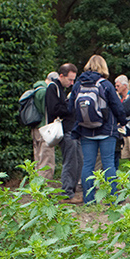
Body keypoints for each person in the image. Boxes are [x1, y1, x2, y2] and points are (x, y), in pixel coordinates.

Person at [69, 55, 127, 204]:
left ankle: (89, 200)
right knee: (108, 163)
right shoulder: (106, 85)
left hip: (86, 130)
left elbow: (71, 108)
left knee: (88, 164)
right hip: (107, 130)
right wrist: (122, 122)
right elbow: (117, 107)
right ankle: (112, 198)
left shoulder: (77, 85)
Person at [46, 63, 84, 203]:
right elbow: (54, 109)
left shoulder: (60, 88)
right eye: (70, 79)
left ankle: (71, 190)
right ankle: (67, 193)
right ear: (61, 76)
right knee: (70, 161)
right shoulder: (53, 88)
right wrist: (70, 106)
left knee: (78, 160)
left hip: (71, 129)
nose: (72, 83)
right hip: (65, 129)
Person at [32, 71, 58, 181]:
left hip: (36, 128)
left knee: (37, 159)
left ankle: (37, 186)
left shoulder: (36, 89)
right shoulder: (44, 92)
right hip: (45, 129)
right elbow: (47, 111)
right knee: (46, 160)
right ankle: (44, 188)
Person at [114, 74, 130, 161]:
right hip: (122, 133)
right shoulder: (118, 98)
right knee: (126, 158)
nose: (116, 88)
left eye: (118, 86)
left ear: (125, 86)